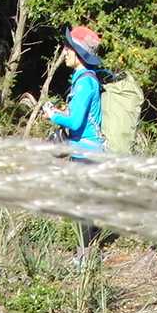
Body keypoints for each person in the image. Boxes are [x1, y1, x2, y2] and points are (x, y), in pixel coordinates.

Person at [44, 25, 105, 263]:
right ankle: (89, 253)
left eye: (68, 47)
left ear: (78, 53)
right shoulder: (86, 79)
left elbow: (75, 122)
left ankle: (84, 259)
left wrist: (53, 115)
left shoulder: (84, 83)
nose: (65, 51)